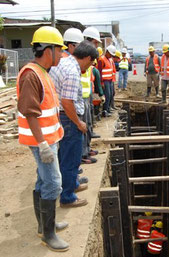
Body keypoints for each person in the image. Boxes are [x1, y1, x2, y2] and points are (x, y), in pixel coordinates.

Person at [16, 26, 69, 252]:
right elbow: (30, 112)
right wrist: (43, 144)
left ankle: (44, 225)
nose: (62, 54)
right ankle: (48, 234)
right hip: (42, 142)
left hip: (48, 139)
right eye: (60, 50)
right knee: (53, 183)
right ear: (49, 50)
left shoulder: (42, 72)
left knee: (42, 181)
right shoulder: (31, 75)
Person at [49, 40, 98, 209]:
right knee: (71, 158)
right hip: (68, 118)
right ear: (87, 57)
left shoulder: (63, 62)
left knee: (65, 156)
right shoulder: (71, 71)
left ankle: (71, 184)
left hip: (61, 116)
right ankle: (68, 197)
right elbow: (67, 102)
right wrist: (78, 123)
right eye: (91, 62)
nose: (90, 66)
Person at [98, 45, 116, 117]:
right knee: (107, 95)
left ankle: (108, 108)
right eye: (111, 54)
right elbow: (99, 72)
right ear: (107, 52)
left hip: (110, 80)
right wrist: (101, 82)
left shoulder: (110, 60)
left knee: (111, 94)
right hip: (105, 81)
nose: (111, 56)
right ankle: (105, 110)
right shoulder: (101, 59)